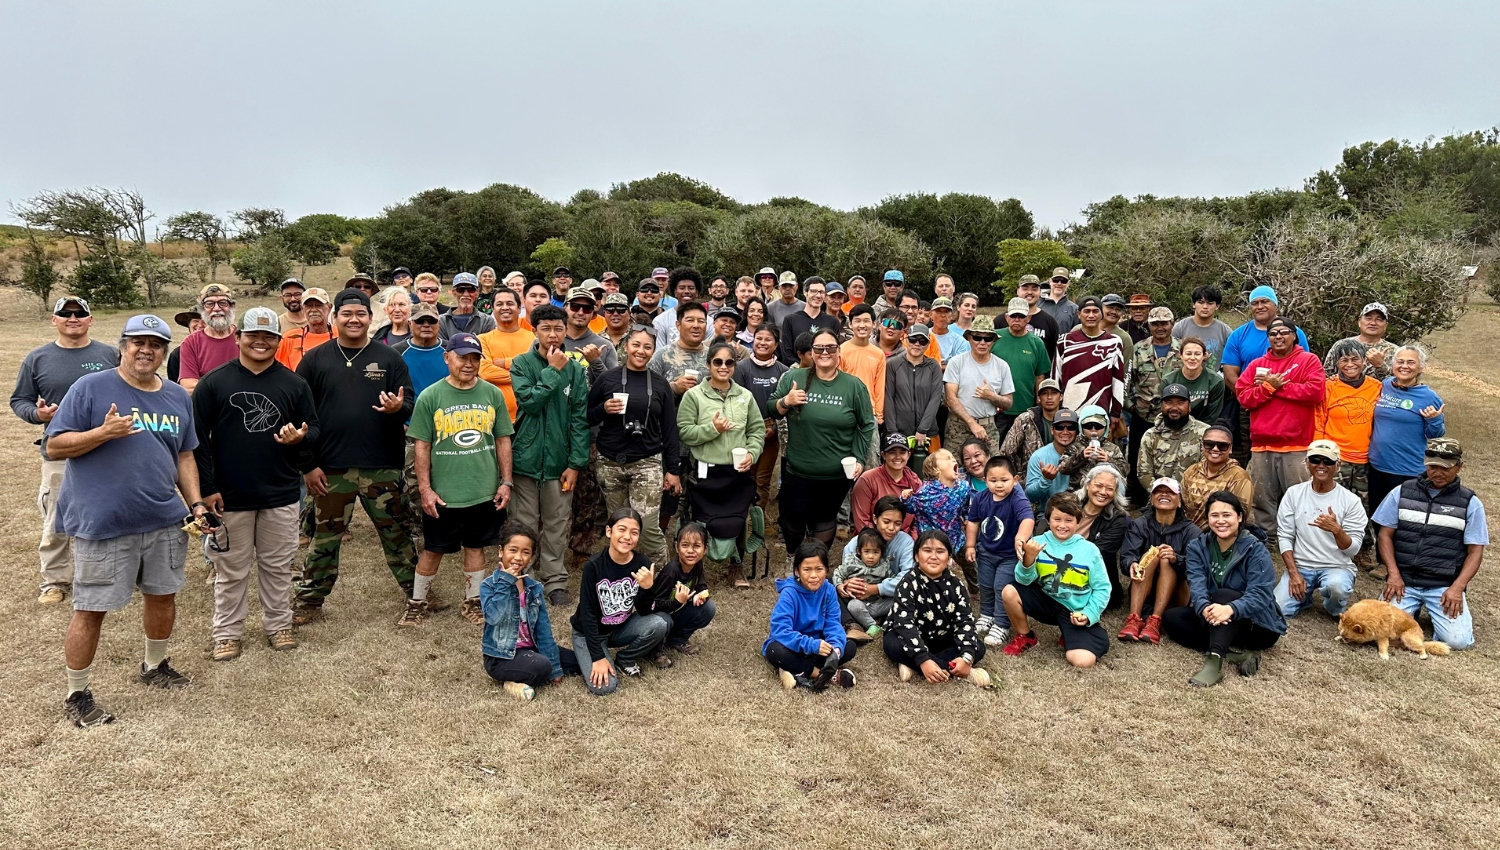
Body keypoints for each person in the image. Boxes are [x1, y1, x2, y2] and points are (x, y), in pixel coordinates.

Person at [47, 314, 206, 727]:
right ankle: (77, 693)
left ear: (164, 352)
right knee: (91, 607)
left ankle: (154, 666)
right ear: (122, 346)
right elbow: (56, 445)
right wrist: (102, 433)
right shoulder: (91, 387)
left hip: (163, 518)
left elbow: (185, 454)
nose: (145, 350)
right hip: (105, 521)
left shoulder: (175, 396)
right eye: (138, 342)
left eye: (155, 344)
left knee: (163, 594)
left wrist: (196, 504)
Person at [192, 306, 317, 662]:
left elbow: (315, 427)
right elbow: (197, 439)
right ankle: (227, 633)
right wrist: (207, 487)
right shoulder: (214, 382)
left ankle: (278, 625)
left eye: (269, 337)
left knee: (278, 565)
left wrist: (301, 438)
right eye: (253, 335)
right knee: (230, 568)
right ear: (238, 337)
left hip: (280, 490)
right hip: (229, 494)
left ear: (278, 340)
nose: (261, 342)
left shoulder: (293, 383)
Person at [292, 289, 418, 623]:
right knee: (324, 540)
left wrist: (397, 409)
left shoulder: (390, 358)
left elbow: (409, 402)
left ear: (369, 318)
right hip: (330, 469)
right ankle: (309, 602)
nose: (354, 319)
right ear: (335, 317)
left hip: (382, 466)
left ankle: (418, 594)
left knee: (398, 535)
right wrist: (308, 465)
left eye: (360, 314)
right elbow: (300, 416)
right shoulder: (315, 360)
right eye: (346, 313)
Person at [11, 295, 120, 605]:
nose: (73, 318)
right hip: (60, 449)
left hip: (107, 446)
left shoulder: (109, 354)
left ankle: (115, 571)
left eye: (79, 313)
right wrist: (38, 415)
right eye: (66, 313)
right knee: (57, 516)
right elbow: (20, 400)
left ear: (90, 320)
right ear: (54, 320)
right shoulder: (38, 358)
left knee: (112, 510)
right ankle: (55, 581)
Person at [403, 332, 515, 628]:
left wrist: (506, 481)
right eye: (462, 357)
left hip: (482, 489)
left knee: (476, 547)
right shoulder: (431, 396)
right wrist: (425, 488)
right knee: (433, 548)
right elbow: (422, 445)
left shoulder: (492, 394)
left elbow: (503, 439)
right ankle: (417, 602)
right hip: (444, 492)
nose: (469, 363)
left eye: (475, 358)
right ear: (447, 357)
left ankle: (473, 601)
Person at [509, 304, 590, 608]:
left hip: (560, 462)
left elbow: (579, 419)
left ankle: (555, 579)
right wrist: (552, 370)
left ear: (566, 330)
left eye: (558, 328)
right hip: (526, 459)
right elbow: (529, 402)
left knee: (557, 521)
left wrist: (575, 464)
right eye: (546, 328)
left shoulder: (576, 369)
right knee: (524, 521)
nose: (553, 334)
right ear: (534, 330)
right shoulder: (521, 364)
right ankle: (521, 578)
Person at [769, 329, 877, 554]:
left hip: (835, 472)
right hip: (798, 469)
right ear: (811, 352)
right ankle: (794, 557)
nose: (824, 352)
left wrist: (858, 457)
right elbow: (772, 409)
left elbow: (867, 424)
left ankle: (817, 563)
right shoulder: (794, 378)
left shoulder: (853, 386)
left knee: (825, 519)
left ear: (839, 352)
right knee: (792, 520)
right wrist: (786, 401)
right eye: (819, 348)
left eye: (830, 347)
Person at [1163, 490, 1285, 687]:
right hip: (1215, 615)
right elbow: (1197, 583)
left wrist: (1230, 608)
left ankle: (1214, 660)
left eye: (1227, 515)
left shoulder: (1255, 549)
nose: (1221, 521)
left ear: (1239, 517)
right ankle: (1236, 655)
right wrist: (1203, 608)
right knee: (1171, 619)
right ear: (1207, 518)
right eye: (1214, 515)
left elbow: (1260, 594)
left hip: (1256, 626)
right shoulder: (1198, 546)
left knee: (1224, 594)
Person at [1373, 437, 1484, 650]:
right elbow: (1384, 535)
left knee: (1457, 642)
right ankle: (1411, 612)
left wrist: (1457, 588)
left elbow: (1475, 551)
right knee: (1382, 631)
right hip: (1404, 582)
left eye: (1445, 467)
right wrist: (1393, 575)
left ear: (1459, 467)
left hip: (1443, 585)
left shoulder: (1471, 503)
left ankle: (1428, 619)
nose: (1438, 472)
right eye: (1432, 466)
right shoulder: (1402, 491)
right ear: (1425, 462)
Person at [589, 329, 682, 565]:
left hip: (647, 460)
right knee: (619, 525)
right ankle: (621, 573)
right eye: (636, 345)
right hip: (610, 460)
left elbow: (670, 429)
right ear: (626, 346)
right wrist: (604, 409)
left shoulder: (660, 385)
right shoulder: (607, 379)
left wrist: (673, 470)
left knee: (648, 526)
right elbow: (586, 416)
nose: (641, 351)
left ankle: (661, 577)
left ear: (653, 350)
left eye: (647, 347)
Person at [677, 341, 763, 585]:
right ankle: (696, 570)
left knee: (738, 518)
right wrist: (712, 429)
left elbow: (756, 430)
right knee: (701, 520)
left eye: (729, 362)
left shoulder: (745, 396)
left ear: (735, 366)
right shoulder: (693, 396)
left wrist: (752, 453)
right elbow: (684, 431)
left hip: (737, 471)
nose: (723, 367)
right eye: (718, 362)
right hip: (705, 472)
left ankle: (737, 567)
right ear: (708, 365)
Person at [1235, 316, 1324, 536]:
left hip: (1296, 444)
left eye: (1284, 332)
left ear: (1294, 336)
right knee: (1262, 498)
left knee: (1300, 496)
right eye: (1273, 334)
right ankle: (1269, 536)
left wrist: (1277, 387)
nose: (1279, 337)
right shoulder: (1257, 365)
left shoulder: (1308, 360)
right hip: (1262, 444)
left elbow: (1315, 392)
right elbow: (1244, 396)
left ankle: (1301, 535)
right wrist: (1267, 389)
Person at [1000, 493, 1110, 667]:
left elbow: (1103, 588)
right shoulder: (1036, 542)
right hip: (1045, 601)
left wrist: (1089, 614)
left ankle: (1071, 634)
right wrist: (1028, 559)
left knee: (1083, 661)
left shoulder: (1090, 550)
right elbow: (1023, 581)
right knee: (1009, 591)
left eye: (1069, 520)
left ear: (1078, 522)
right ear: (1048, 519)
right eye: (1057, 519)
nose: (1062, 525)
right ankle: (1026, 636)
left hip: (1074, 610)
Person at [571, 509, 669, 694]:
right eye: (621, 530)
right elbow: (588, 613)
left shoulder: (643, 563)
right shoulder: (594, 565)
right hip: (588, 633)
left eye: (634, 532)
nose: (627, 537)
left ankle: (624, 658)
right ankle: (582, 655)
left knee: (660, 623)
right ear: (609, 532)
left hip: (618, 628)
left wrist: (648, 588)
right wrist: (598, 657)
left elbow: (645, 610)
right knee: (605, 687)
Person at [1272, 440, 1366, 620]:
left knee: (1336, 587)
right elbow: (1285, 536)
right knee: (1278, 610)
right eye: (1315, 460)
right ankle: (1303, 596)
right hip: (1302, 566)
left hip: (1336, 566)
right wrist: (1293, 573)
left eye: (1328, 461)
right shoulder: (1293, 493)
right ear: (1307, 463)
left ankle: (1333, 607)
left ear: (1338, 465)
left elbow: (1353, 549)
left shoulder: (1351, 501)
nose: (1321, 465)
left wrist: (1336, 530)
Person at [883, 530, 990, 686]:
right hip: (911, 636)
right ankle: (947, 669)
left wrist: (966, 657)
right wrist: (923, 659)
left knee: (978, 648)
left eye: (940, 551)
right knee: (891, 644)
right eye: (927, 551)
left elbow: (965, 622)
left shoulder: (957, 586)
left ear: (949, 558)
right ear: (916, 556)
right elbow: (904, 624)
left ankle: (914, 665)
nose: (933, 556)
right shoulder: (907, 584)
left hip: (942, 637)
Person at [1220, 285, 1309, 462]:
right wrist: (1247, 397)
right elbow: (1229, 371)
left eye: (1265, 301)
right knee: (1250, 450)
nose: (1259, 306)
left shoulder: (1295, 333)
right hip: (1250, 405)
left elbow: (1303, 366)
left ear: (1275, 305)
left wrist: (1277, 391)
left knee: (1287, 450)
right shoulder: (1239, 335)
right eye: (1255, 303)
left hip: (1287, 404)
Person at [1314, 338, 1382, 567]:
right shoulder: (1328, 387)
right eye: (1344, 360)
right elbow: (1318, 421)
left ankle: (1363, 549)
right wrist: (1321, 456)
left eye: (1355, 359)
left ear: (1364, 361)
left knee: (1363, 506)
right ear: (1337, 362)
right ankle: (1329, 548)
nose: (1350, 364)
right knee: (1332, 504)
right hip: (1336, 459)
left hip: (1366, 458)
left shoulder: (1376, 387)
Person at [480, 524, 565, 702]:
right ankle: (508, 681)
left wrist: (556, 668)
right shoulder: (489, 585)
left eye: (526, 552)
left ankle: (543, 666)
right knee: (542, 666)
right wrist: (505, 582)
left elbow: (543, 629)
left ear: (531, 557)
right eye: (513, 550)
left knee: (570, 659)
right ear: (500, 551)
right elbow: (493, 617)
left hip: (530, 648)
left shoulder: (534, 588)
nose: (518, 557)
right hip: (502, 657)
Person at [1117, 478, 1201, 644]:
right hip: (1143, 588)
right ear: (1152, 499)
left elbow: (1197, 568)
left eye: (1170, 492)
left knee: (1165, 557)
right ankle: (1134, 617)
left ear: (1179, 502)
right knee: (1152, 554)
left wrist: (1176, 558)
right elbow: (1127, 556)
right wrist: (1131, 564)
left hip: (1177, 595)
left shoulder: (1192, 531)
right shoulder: (1139, 524)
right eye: (1158, 491)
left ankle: (1155, 620)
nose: (1164, 494)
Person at [764, 541, 857, 691]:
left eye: (819, 569)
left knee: (849, 646)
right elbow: (780, 630)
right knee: (775, 650)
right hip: (794, 645)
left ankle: (793, 669)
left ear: (826, 570)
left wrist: (836, 647)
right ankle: (821, 673)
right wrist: (811, 645)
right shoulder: (789, 593)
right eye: (807, 569)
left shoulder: (829, 590)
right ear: (797, 572)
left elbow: (833, 623)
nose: (813, 575)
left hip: (818, 646)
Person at [1367, 344, 1446, 522]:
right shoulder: (1385, 385)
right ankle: (1381, 551)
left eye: (1411, 362)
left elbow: (1435, 435)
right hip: (1377, 466)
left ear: (1421, 367)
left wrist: (1434, 419)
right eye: (1400, 361)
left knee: (1404, 521)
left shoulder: (1428, 396)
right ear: (1393, 364)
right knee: (1378, 518)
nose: (1404, 366)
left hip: (1408, 470)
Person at [964, 455, 1035, 647]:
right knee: (985, 585)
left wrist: (1020, 538)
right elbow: (973, 522)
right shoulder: (980, 498)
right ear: (985, 480)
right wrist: (970, 545)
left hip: (1009, 556)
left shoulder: (1017, 498)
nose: (999, 485)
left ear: (1015, 479)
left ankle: (1001, 624)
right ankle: (986, 615)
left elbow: (1028, 519)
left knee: (1001, 587)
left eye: (1004, 480)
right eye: (993, 480)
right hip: (986, 552)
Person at [1125, 306, 1182, 501]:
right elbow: (1127, 381)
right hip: (1142, 416)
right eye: (1155, 323)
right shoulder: (1138, 348)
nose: (1160, 327)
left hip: (1173, 417)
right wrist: (1131, 405)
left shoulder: (1182, 350)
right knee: (1138, 458)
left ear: (1172, 324)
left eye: (1164, 323)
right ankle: (1137, 498)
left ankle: (1170, 497)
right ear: (1149, 325)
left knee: (1169, 459)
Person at [733, 324, 787, 509]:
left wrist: (774, 428)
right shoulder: (741, 367)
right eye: (759, 338)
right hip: (744, 430)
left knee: (762, 480)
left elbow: (784, 406)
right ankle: (741, 517)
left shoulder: (783, 371)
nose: (762, 343)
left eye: (768, 339)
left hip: (771, 430)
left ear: (776, 344)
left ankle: (757, 522)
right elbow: (736, 400)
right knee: (745, 476)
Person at [943, 316, 1015, 454]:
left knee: (990, 471)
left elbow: (1008, 402)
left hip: (988, 427)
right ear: (969, 338)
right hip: (958, 427)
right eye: (977, 337)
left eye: (988, 339)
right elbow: (950, 398)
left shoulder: (1002, 366)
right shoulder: (956, 362)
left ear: (993, 341)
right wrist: (972, 424)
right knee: (954, 471)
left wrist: (992, 396)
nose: (982, 342)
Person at [646, 523, 716, 664]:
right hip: (657, 616)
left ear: (705, 549)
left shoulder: (697, 564)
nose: (690, 551)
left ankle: (677, 640)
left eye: (696, 546)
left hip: (675, 611)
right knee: (665, 619)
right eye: (685, 545)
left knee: (708, 608)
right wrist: (676, 602)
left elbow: (702, 586)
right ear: (677, 547)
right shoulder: (671, 571)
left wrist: (699, 594)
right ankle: (655, 651)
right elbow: (654, 605)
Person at [1054, 295, 1126, 425]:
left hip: (1101, 411)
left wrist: (1115, 412)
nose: (1091, 315)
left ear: (1101, 314)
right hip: (1070, 411)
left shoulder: (1114, 342)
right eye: (1087, 311)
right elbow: (1056, 376)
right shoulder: (1065, 341)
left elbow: (1118, 380)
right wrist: (1055, 408)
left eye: (1095, 311)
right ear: (1079, 314)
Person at [1067, 464, 1132, 606]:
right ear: (1088, 484)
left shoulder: (1119, 519)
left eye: (1110, 489)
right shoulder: (1068, 504)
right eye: (1099, 485)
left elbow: (1096, 554)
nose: (1103, 492)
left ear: (1115, 493)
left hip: (1092, 577)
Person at [884, 325, 943, 467]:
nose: (917, 344)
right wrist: (893, 432)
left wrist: (923, 429)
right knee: (898, 469)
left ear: (928, 344)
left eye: (922, 341)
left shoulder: (933, 366)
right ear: (905, 339)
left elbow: (935, 398)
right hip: (900, 430)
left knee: (933, 470)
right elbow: (888, 398)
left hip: (929, 432)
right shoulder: (892, 364)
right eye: (913, 339)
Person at [992, 298, 1051, 437]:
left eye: (1021, 316)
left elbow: (1040, 376)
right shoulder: (994, 338)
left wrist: (1039, 401)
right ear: (1006, 317)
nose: (1017, 319)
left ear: (1028, 318)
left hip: (1025, 409)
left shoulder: (1037, 343)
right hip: (997, 409)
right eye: (1013, 316)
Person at [1136, 383, 1210, 491]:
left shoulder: (1205, 433)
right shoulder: (1151, 435)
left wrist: (1185, 495)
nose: (1174, 408)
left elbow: (1209, 471)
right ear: (1161, 406)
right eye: (1168, 402)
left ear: (1189, 406)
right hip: (1160, 496)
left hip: (1194, 497)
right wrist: (1162, 493)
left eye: (1180, 403)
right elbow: (1144, 473)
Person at [476, 287, 535, 421]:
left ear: (519, 308)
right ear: (492, 309)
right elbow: (485, 372)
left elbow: (538, 372)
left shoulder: (533, 339)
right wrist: (524, 376)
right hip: (495, 417)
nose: (505, 307)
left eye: (510, 303)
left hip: (529, 417)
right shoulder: (482, 339)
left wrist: (505, 362)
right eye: (499, 304)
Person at [1180, 426, 1255, 530]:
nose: (1215, 449)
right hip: (1190, 535)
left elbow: (1241, 513)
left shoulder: (1239, 476)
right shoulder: (1191, 471)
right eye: (1209, 444)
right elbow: (1182, 508)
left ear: (1230, 449)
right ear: (1202, 446)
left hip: (1222, 534)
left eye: (1222, 446)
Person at [852, 433, 923, 535]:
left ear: (909, 455)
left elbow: (920, 518)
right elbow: (862, 521)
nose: (898, 457)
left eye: (902, 452)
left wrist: (912, 543)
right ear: (883, 455)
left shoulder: (915, 482)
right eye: (892, 452)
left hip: (905, 540)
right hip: (871, 540)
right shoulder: (867, 480)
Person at [906, 448, 972, 559]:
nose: (954, 460)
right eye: (948, 458)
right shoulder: (925, 492)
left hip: (957, 540)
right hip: (932, 544)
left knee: (972, 570)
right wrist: (905, 499)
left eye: (953, 458)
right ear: (934, 468)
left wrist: (967, 518)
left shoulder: (963, 487)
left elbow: (966, 508)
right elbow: (911, 508)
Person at [178, 283, 239, 392]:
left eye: (222, 303)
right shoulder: (191, 343)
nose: (216, 308)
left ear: (232, 306)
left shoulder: (245, 337)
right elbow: (188, 387)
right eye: (209, 304)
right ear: (202, 309)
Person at [840, 304, 888, 437]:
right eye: (857, 321)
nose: (862, 325)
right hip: (845, 412)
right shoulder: (841, 351)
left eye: (866, 321)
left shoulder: (878, 354)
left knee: (870, 455)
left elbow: (879, 387)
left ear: (874, 324)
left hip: (869, 414)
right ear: (850, 324)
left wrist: (879, 415)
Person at [1000, 377, 1063, 471]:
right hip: (1030, 478)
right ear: (1038, 398)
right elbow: (1006, 453)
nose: (1049, 397)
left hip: (1062, 475)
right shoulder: (1025, 419)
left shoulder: (1069, 420)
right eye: (1044, 393)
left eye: (1054, 393)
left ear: (1061, 397)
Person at [1324, 301, 1398, 381]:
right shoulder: (1342, 345)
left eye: (1379, 319)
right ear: (1359, 322)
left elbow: (1400, 383)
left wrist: (1380, 365)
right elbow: (1326, 375)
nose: (1373, 323)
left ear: (1385, 325)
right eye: (1368, 318)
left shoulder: (1395, 351)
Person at [560, 286, 619, 385]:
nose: (581, 312)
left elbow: (614, 387)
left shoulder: (605, 346)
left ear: (593, 312)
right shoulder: (547, 341)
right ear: (565, 307)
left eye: (587, 308)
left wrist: (596, 362)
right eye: (575, 306)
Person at [648, 301, 710, 395]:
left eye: (701, 321)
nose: (696, 325)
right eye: (690, 320)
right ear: (678, 325)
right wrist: (674, 388)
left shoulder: (713, 357)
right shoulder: (662, 356)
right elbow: (648, 390)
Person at [1056, 404, 1128, 483]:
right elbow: (1062, 468)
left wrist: (1109, 460)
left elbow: (1125, 471)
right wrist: (1081, 457)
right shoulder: (1074, 446)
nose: (1093, 429)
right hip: (1078, 491)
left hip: (1104, 490)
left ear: (1105, 427)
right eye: (1088, 426)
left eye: (1098, 426)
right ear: (1081, 427)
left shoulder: (1113, 448)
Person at [1161, 337, 1224, 424]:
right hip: (1174, 425)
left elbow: (1213, 416)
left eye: (1197, 354)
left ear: (1204, 356)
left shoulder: (1216, 381)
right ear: (1181, 355)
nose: (1192, 358)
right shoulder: (1168, 380)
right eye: (1188, 353)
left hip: (1204, 427)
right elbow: (1165, 411)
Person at [1025, 408, 1080, 507]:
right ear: (1052, 430)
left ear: (1077, 431)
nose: (1065, 432)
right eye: (1060, 427)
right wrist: (1046, 479)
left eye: (1071, 427)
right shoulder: (1039, 456)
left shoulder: (1084, 455)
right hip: (1049, 515)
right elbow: (1031, 496)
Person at [1171, 286, 1231, 370]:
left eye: (1210, 303)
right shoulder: (1179, 328)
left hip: (1213, 380)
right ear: (1193, 304)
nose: (1205, 306)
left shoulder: (1225, 331)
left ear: (1217, 306)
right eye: (1201, 302)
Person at [778, 277, 833, 365]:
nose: (818, 296)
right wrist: (801, 368)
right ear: (805, 292)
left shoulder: (832, 322)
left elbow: (834, 351)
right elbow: (786, 352)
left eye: (821, 292)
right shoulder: (790, 320)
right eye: (814, 291)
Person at [274, 288, 333, 370]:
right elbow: (278, 370)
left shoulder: (341, 335)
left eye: (319, 305)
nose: (313, 310)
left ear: (329, 307)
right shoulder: (289, 338)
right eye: (308, 306)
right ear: (302, 308)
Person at [652, 268, 702, 350]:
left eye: (691, 288)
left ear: (697, 292)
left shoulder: (708, 321)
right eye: (682, 288)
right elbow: (659, 353)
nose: (686, 291)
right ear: (675, 292)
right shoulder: (661, 321)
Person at [437, 272, 497, 339]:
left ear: (477, 293)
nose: (466, 294)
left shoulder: (486, 321)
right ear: (454, 292)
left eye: (471, 290)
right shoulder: (441, 321)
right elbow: (442, 347)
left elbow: (487, 346)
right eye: (461, 290)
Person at [1014, 276, 1061, 362]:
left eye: (1034, 289)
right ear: (1018, 291)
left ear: (1040, 292)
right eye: (1025, 289)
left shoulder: (1050, 322)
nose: (1029, 292)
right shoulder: (1002, 320)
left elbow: (1054, 356)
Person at [929, 297, 969, 367]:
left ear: (952, 315)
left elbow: (959, 366)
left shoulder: (959, 341)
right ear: (931, 315)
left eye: (946, 311)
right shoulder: (923, 336)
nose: (943, 315)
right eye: (938, 311)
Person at [167, 308, 204, 383]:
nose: (200, 325)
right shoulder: (177, 354)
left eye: (205, 321)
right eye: (195, 321)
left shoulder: (220, 350)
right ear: (189, 325)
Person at [1039, 267, 1079, 332]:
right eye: (1056, 280)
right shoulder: (1038, 304)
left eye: (1063, 281)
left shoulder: (1074, 309)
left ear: (1068, 284)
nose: (1059, 283)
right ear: (1050, 281)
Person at [598, 292, 636, 358]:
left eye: (621, 310)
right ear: (604, 313)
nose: (615, 314)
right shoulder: (597, 339)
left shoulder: (638, 337)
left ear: (629, 313)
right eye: (610, 310)